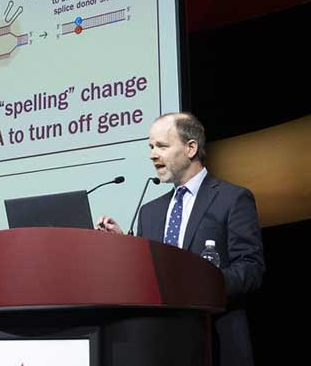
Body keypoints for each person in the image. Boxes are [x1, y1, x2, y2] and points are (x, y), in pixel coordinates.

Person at [97, 112, 265, 366]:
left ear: (191, 148)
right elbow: (149, 273)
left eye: (162, 146)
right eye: (151, 146)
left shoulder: (233, 199)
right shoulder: (150, 211)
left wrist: (200, 284)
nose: (153, 154)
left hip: (215, 341)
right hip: (159, 342)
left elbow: (251, 269)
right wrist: (125, 246)